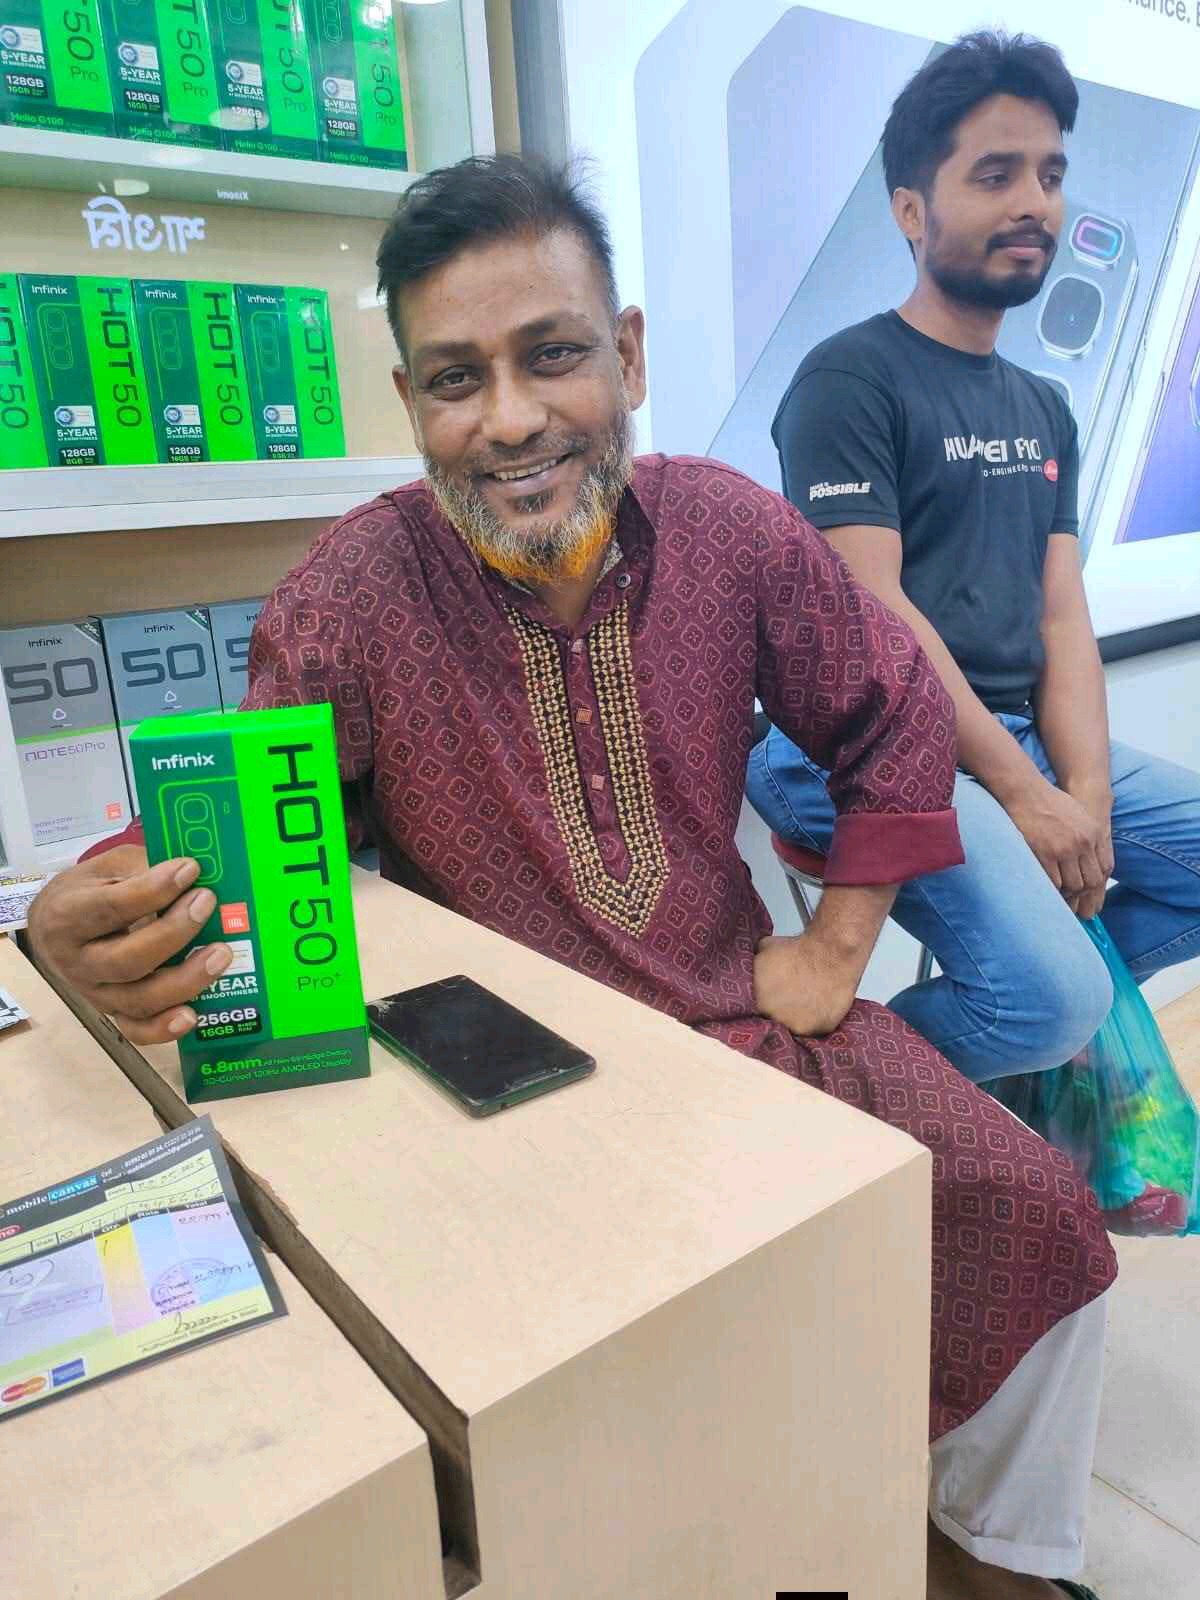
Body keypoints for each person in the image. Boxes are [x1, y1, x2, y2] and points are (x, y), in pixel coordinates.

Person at [28, 155, 1114, 1599]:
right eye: (456, 378)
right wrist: (74, 918)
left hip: (749, 1031)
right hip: (512, 1098)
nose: (510, 419)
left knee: (1037, 1212)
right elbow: (223, 829)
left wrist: (838, 951)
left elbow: (894, 707)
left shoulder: (727, 530)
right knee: (591, 1405)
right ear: (411, 401)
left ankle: (985, 1558)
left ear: (630, 357)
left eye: (552, 356)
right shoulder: (349, 597)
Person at [746, 34, 1200, 1145]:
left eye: (1050, 173)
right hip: (854, 749)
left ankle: (1017, 1047)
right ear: (911, 209)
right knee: (1051, 999)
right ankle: (840, 1096)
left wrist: (1082, 796)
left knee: (1074, 969)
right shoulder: (848, 378)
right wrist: (1028, 796)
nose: (1034, 202)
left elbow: (1060, 615)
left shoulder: (1045, 406)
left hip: (1005, 739)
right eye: (995, 175)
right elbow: (878, 619)